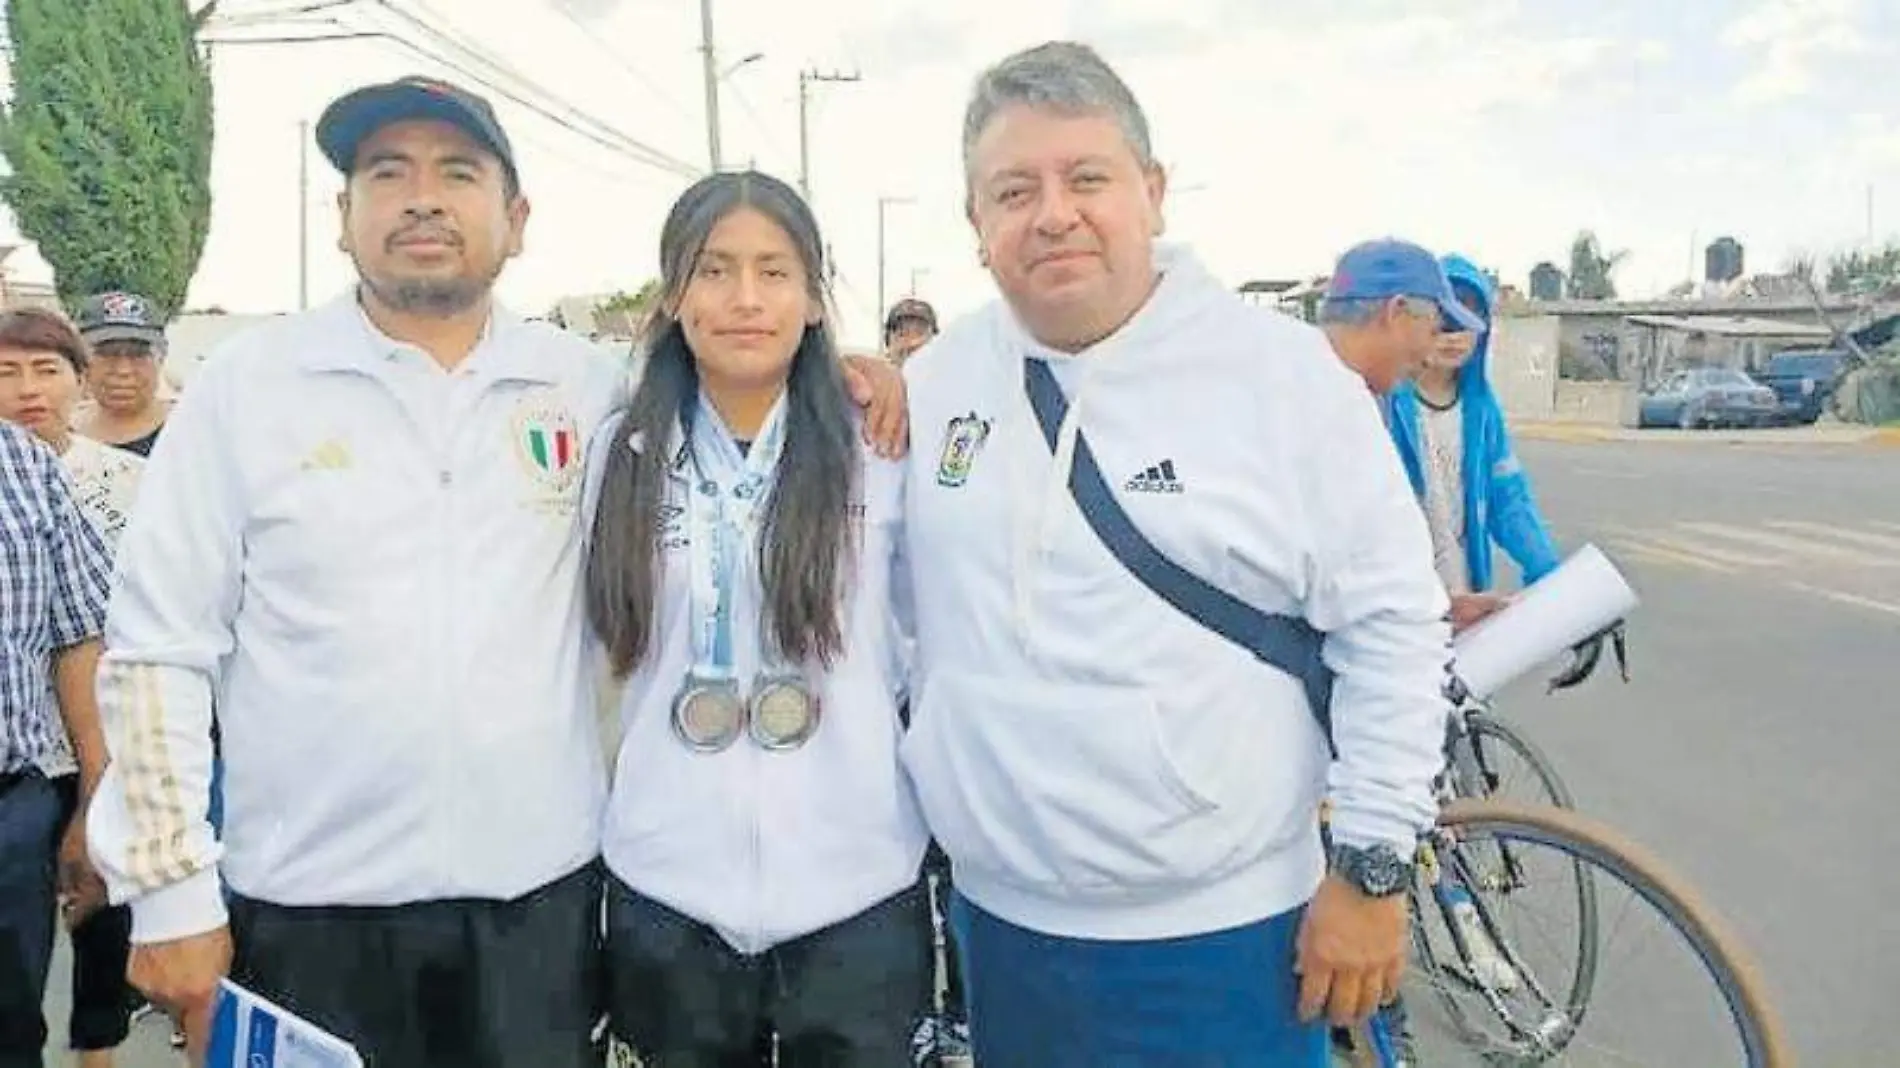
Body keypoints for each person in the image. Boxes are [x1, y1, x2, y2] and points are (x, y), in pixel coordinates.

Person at [82, 74, 907, 1068]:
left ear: (515, 220)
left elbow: (733, 381)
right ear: (341, 217)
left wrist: (859, 372)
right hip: (306, 916)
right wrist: (169, 889)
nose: (423, 197)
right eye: (387, 173)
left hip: (541, 919)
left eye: (458, 173)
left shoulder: (588, 394)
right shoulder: (246, 393)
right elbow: (159, 649)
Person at [898, 42, 1455, 1065]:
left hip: (1233, 939)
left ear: (1151, 193)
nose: (1052, 212)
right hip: (1005, 938)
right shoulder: (931, 389)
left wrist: (1372, 868)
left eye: (1087, 178)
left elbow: (1391, 626)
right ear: (976, 226)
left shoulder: (1280, 377)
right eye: (1013, 190)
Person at [585, 169, 932, 1067]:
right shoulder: (616, 450)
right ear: (672, 295)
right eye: (713, 270)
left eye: (775, 272)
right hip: (668, 890)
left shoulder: (883, 448)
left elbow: (933, 644)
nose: (745, 299)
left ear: (816, 299)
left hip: (857, 890)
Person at [0, 308, 144, 1068]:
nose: (28, 389)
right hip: (35, 763)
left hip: (54, 767)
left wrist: (100, 791)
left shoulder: (68, 475)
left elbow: (83, 634)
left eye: (45, 368)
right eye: (7, 371)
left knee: (91, 931)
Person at [0, 420, 113, 1068]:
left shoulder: (23, 462)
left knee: (12, 1033)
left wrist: (94, 799)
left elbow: (81, 636)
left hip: (12, 816)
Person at [1385, 254, 1562, 632]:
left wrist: (1550, 576)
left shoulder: (1482, 412)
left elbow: (1509, 499)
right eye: (1444, 319)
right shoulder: (1381, 400)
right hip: (1397, 607)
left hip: (1463, 602)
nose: (1454, 335)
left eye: (1470, 319)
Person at [71, 293, 171, 458]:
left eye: (138, 354)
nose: (123, 370)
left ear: (161, 358)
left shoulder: (188, 430)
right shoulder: (58, 436)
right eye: (106, 353)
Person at [883, 298, 938, 367]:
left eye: (920, 333)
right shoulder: (872, 375)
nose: (912, 342)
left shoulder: (947, 374)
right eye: (902, 333)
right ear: (888, 341)